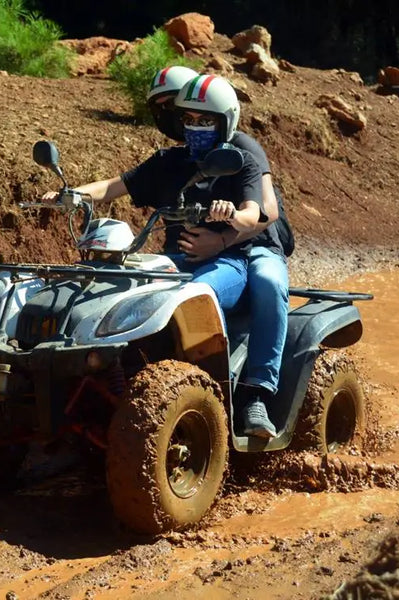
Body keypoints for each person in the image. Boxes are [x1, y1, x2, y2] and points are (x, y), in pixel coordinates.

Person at [41, 75, 268, 320]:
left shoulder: (242, 163)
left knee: (195, 296)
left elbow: (252, 216)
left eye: (205, 120)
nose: (195, 127)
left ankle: (211, 358)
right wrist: (72, 195)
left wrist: (232, 214)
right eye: (188, 120)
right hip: (172, 260)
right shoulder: (167, 161)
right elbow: (112, 187)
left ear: (225, 122)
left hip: (226, 262)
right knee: (122, 293)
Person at [147, 68, 290, 439]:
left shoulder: (244, 149)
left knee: (268, 283)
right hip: (216, 244)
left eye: (201, 119)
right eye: (180, 115)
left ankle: (255, 391)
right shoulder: (179, 157)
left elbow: (266, 212)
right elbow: (125, 186)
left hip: (256, 242)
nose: (184, 122)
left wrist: (223, 238)